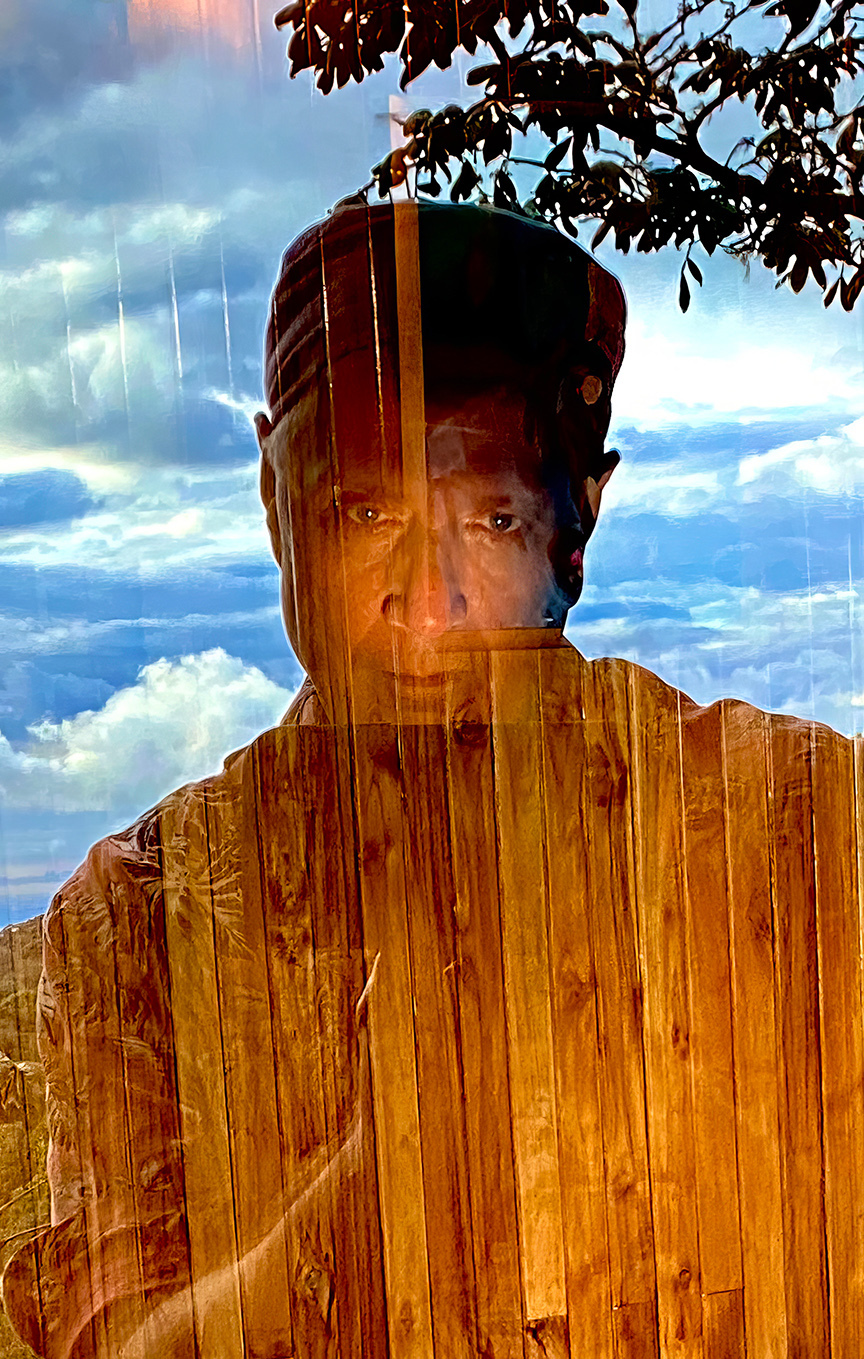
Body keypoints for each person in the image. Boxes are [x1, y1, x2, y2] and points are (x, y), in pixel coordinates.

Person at [2, 201, 860, 1359]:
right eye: (366, 512)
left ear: (577, 521)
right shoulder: (143, 917)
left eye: (494, 521)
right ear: (273, 495)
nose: (427, 607)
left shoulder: (795, 821)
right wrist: (396, 1154)